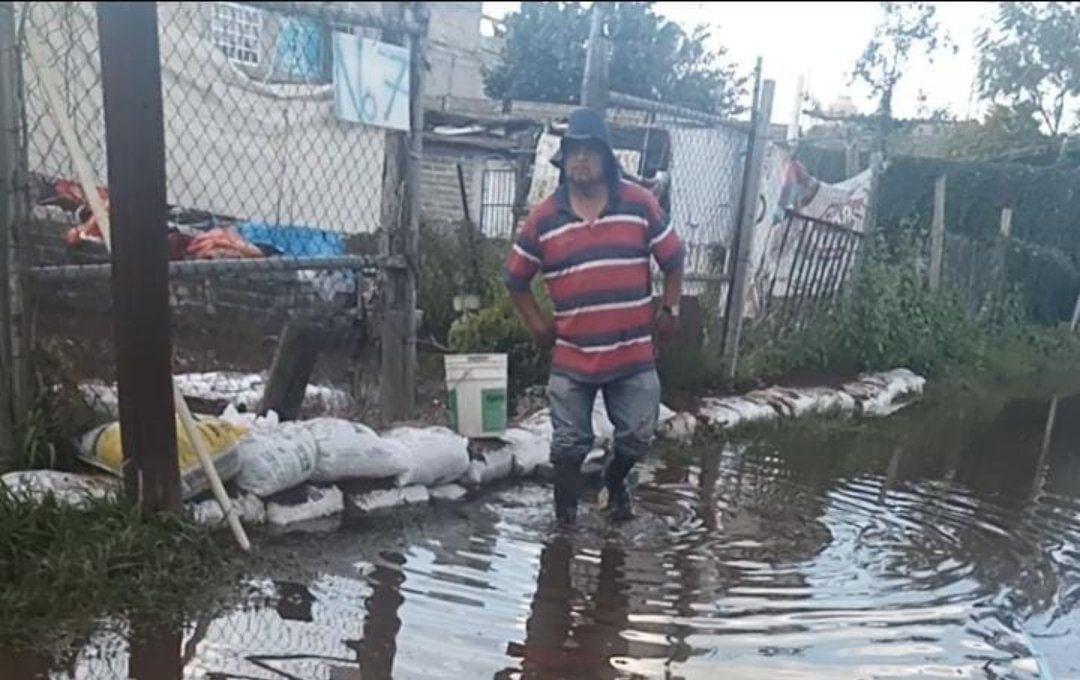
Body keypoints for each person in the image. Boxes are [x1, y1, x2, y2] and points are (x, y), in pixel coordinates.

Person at [503, 108, 685, 526]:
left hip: (632, 351)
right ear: (563, 160)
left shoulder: (639, 204)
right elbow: (515, 278)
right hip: (572, 354)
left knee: (638, 435)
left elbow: (674, 258)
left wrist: (670, 308)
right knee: (568, 445)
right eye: (573, 152)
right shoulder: (545, 218)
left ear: (606, 158)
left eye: (590, 151)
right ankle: (564, 524)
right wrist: (538, 326)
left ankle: (614, 480)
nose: (581, 159)